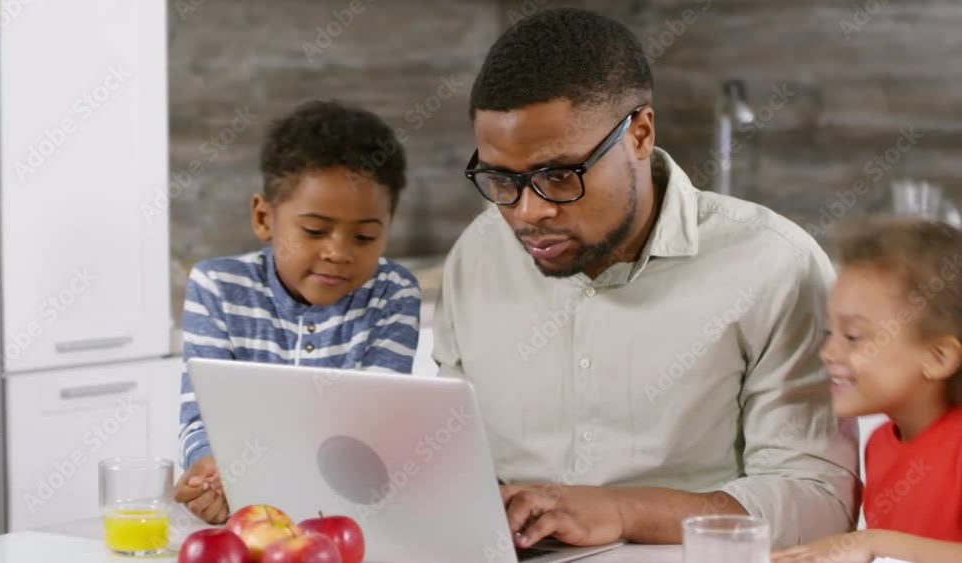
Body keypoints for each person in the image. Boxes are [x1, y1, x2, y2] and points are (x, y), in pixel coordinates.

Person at [433, 7, 859, 549]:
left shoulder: (776, 267)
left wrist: (619, 511)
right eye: (500, 179)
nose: (525, 212)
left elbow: (818, 502)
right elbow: (448, 456)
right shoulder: (477, 254)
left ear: (639, 133)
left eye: (558, 176)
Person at [173, 100, 422, 524]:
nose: (338, 252)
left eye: (364, 236)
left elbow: (370, 429)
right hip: (247, 514)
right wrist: (210, 470)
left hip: (349, 513)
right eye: (314, 231)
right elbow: (200, 419)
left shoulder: (392, 293)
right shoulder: (218, 288)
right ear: (263, 217)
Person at [772, 218, 962, 563]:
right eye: (828, 333)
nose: (828, 353)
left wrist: (874, 542)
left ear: (938, 357)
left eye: (853, 337)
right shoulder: (880, 445)